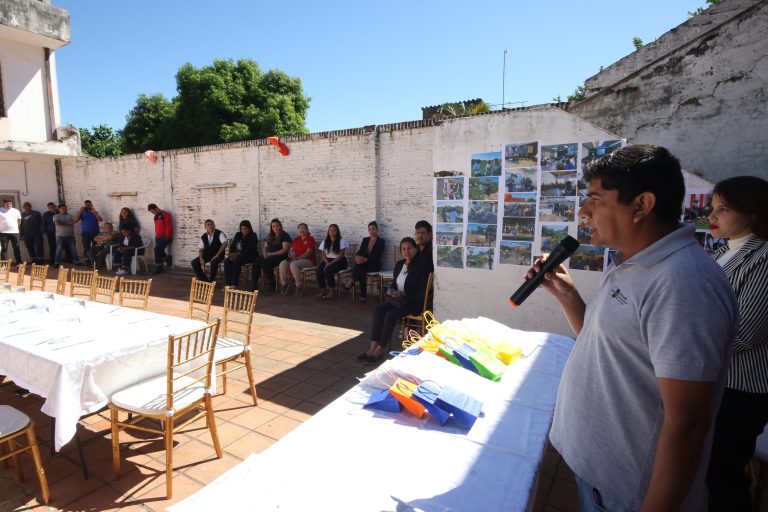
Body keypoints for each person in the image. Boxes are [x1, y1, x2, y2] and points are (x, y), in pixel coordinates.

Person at [533, 145, 737, 511]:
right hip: (599, 476)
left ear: (641, 205)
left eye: (595, 198)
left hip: (628, 493)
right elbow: (608, 346)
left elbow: (688, 424)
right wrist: (567, 296)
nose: (583, 211)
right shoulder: (631, 262)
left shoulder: (683, 283)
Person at [705, 176, 768, 512]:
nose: (713, 215)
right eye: (713, 208)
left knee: (724, 472)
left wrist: (684, 341)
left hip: (742, 389)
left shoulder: (764, 258)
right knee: (709, 467)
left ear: (753, 212)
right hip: (715, 378)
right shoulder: (721, 249)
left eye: (724, 209)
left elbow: (744, 333)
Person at [357, 237, 429, 363]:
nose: (406, 251)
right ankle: (372, 348)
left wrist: (404, 294)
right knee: (378, 310)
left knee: (390, 315)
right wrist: (391, 290)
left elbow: (421, 291)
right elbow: (394, 284)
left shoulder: (421, 266)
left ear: (415, 249)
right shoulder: (400, 264)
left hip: (411, 303)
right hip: (397, 301)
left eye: (409, 248)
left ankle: (379, 350)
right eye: (403, 249)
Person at [344, 221, 385, 303]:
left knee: (360, 267)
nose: (371, 231)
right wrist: (357, 257)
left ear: (377, 230)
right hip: (363, 264)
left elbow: (377, 255)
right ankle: (363, 295)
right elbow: (360, 251)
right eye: (369, 229)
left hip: (374, 264)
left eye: (373, 229)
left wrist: (365, 259)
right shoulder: (365, 240)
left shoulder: (381, 241)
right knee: (361, 269)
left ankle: (352, 281)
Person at [278, 223, 316, 297]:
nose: (302, 229)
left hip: (308, 260)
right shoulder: (296, 239)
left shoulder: (310, 239)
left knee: (293, 264)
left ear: (307, 229)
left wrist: (296, 259)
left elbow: (308, 253)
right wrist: (291, 255)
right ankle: (284, 284)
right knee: (283, 263)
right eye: (300, 228)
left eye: (303, 228)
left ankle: (299, 285)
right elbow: (291, 251)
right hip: (296, 259)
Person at [257, 218, 291, 292]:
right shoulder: (270, 235)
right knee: (256, 262)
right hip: (269, 255)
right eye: (273, 226)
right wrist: (264, 252)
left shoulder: (285, 235)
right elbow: (265, 246)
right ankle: (254, 283)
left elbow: (285, 250)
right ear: (271, 228)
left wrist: (270, 254)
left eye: (277, 226)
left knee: (266, 263)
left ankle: (271, 282)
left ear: (280, 226)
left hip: (280, 257)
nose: (275, 228)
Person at [316, 224, 348, 299]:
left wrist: (330, 264)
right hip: (328, 260)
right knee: (319, 270)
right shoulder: (325, 241)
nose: (332, 232)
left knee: (328, 270)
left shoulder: (341, 241)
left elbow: (341, 255)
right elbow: (323, 254)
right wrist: (327, 262)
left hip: (339, 261)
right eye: (330, 230)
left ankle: (332, 290)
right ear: (328, 231)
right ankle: (322, 289)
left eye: (334, 230)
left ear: (337, 231)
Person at [224, 220, 259, 288]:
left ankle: (234, 284)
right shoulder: (238, 234)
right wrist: (231, 254)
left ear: (249, 228)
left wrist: (237, 254)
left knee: (237, 261)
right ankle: (228, 284)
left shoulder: (253, 235)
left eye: (245, 228)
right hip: (237, 255)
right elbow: (233, 245)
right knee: (227, 261)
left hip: (249, 256)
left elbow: (250, 249)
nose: (243, 230)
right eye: (242, 228)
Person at [74, 199, 103, 266]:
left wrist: (94, 212)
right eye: (86, 206)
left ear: (91, 205)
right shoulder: (82, 213)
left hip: (95, 233)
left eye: (89, 205)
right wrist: (80, 210)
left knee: (95, 247)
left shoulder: (95, 212)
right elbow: (75, 220)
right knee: (86, 247)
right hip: (86, 233)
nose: (87, 207)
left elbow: (100, 220)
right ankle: (87, 260)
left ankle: (95, 260)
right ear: (84, 206)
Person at [148, 203, 173, 274]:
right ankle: (165, 261)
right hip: (158, 237)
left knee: (156, 249)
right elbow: (157, 227)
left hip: (165, 237)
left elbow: (169, 226)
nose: (153, 213)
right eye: (151, 212)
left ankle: (159, 265)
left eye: (153, 211)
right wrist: (156, 236)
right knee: (159, 251)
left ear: (156, 208)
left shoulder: (165, 214)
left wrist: (167, 236)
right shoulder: (155, 216)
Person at [0, 199, 22, 265]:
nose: (9, 205)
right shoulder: (0, 210)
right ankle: (3, 265)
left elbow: (19, 221)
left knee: (16, 248)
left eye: (10, 203)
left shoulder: (16, 211)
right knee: (4, 249)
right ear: (4, 204)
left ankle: (18, 263)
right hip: (3, 233)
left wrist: (13, 227)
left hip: (14, 232)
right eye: (7, 203)